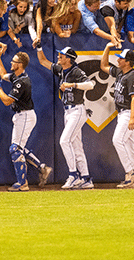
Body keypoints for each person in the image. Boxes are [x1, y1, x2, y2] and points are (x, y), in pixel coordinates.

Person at [36, 46, 95, 189]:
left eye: (61, 56)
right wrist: (39, 46)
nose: (59, 57)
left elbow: (91, 85)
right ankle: (86, 178)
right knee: (76, 146)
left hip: (77, 110)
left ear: (68, 58)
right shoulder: (61, 69)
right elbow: (43, 61)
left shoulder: (76, 71)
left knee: (64, 141)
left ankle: (73, 175)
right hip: (68, 111)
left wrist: (73, 84)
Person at [0, 48, 53, 191]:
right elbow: (3, 75)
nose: (11, 62)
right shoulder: (16, 76)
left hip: (25, 115)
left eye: (13, 61)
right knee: (18, 149)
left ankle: (22, 183)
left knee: (15, 149)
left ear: (20, 64)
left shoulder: (23, 81)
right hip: (21, 115)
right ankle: (42, 168)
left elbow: (7, 101)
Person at [100, 43, 134, 188]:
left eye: (121, 58)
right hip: (122, 113)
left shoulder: (132, 76)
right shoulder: (119, 72)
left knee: (117, 140)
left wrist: (132, 117)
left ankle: (131, 173)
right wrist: (107, 48)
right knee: (130, 146)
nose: (118, 60)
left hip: (129, 112)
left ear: (128, 62)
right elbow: (103, 66)